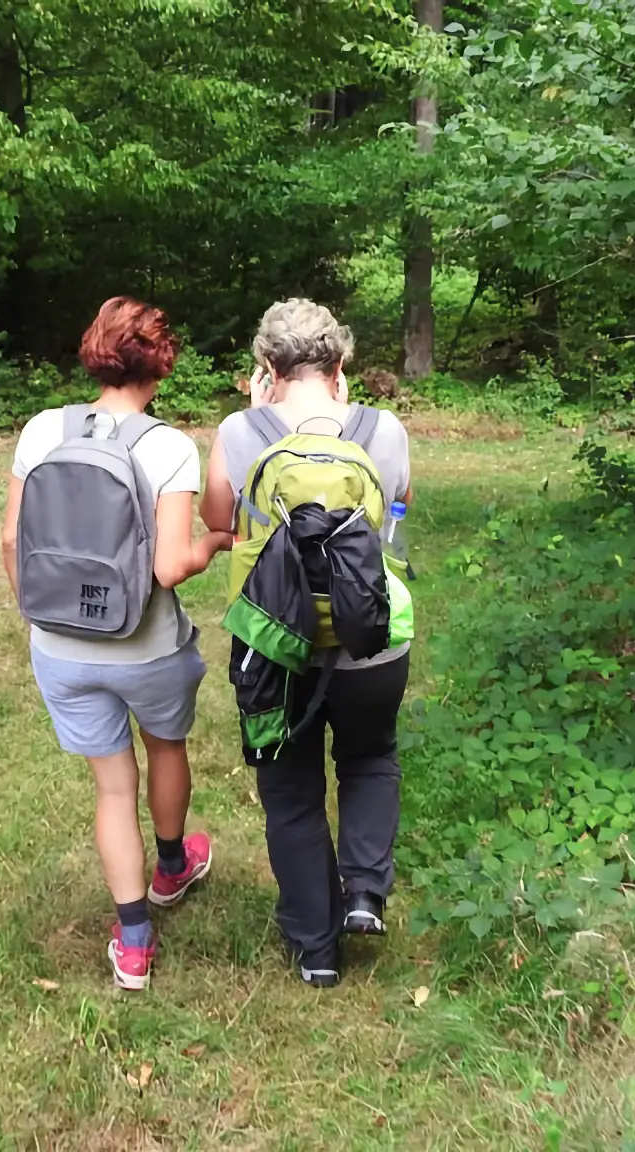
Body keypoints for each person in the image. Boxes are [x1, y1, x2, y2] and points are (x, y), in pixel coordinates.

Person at [1, 297, 232, 990]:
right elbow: (167, 567)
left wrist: (37, 616)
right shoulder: (167, 448)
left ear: (94, 351)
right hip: (146, 645)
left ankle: (133, 941)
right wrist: (213, 543)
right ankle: (170, 867)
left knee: (111, 788)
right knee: (165, 746)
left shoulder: (42, 430)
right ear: (161, 364)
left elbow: (12, 539)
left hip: (61, 643)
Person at [201, 298, 412, 987]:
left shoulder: (239, 430)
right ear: (340, 364)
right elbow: (398, 504)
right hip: (371, 639)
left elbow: (218, 518)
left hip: (276, 644)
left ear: (266, 366)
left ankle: (315, 951)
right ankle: (362, 894)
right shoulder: (384, 429)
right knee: (369, 758)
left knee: (289, 789)